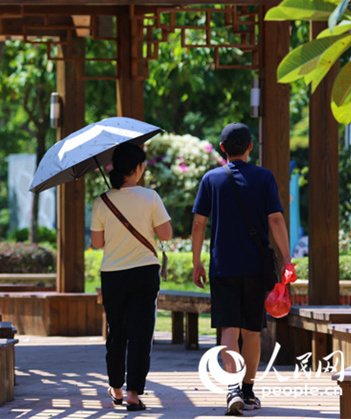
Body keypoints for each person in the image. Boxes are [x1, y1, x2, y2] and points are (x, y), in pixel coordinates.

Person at [191, 123, 292, 416]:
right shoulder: (264, 177)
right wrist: (286, 258)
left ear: (222, 148)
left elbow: (199, 223)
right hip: (256, 267)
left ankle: (232, 387)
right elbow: (275, 220)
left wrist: (197, 261)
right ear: (250, 147)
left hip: (224, 267)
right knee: (252, 330)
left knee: (228, 329)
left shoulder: (211, 179)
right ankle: (248, 391)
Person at [91, 143, 173, 412]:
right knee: (140, 334)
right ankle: (134, 394)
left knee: (117, 332)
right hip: (144, 273)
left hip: (113, 275)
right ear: (136, 168)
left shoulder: (101, 201)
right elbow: (165, 234)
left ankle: (115, 388)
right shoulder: (150, 197)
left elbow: (97, 243)